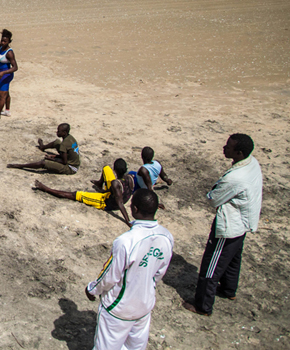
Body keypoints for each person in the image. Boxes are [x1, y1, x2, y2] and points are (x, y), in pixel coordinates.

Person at [183, 133, 263, 316]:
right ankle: (228, 290)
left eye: (229, 146)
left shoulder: (235, 178)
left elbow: (213, 198)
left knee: (211, 266)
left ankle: (203, 305)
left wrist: (214, 192)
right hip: (244, 222)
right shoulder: (252, 163)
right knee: (234, 258)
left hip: (230, 226)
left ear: (239, 152)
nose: (224, 148)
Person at [85, 190, 174, 350]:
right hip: (144, 305)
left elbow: (110, 276)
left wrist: (92, 289)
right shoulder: (166, 237)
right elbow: (159, 272)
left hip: (118, 308)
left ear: (135, 210)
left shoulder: (126, 241)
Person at [32, 158, 134, 227]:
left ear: (115, 170)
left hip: (107, 202)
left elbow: (120, 203)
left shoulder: (116, 184)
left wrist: (128, 221)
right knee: (106, 168)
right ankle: (99, 183)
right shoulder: (129, 178)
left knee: (76, 194)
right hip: (118, 194)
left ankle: (46, 188)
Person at [7, 123, 80, 174]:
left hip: (70, 168)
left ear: (64, 132)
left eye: (59, 131)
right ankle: (43, 147)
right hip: (73, 162)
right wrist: (56, 156)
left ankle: (20, 166)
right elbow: (67, 154)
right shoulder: (70, 138)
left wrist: (53, 159)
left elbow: (64, 162)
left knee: (43, 163)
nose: (57, 132)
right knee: (57, 142)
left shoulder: (64, 144)